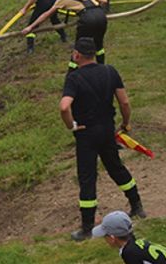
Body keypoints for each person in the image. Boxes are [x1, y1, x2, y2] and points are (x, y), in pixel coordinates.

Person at [61, 38, 145, 241]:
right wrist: (125, 124)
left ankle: (87, 227)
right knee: (116, 167)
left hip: (86, 134)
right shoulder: (110, 71)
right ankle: (137, 205)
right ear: (96, 54)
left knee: (87, 177)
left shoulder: (74, 78)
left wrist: (71, 125)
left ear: (76, 55)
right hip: (107, 129)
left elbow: (64, 107)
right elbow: (124, 102)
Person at [24, 0, 109, 65]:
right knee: (99, 45)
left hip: (86, 18)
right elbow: (103, 1)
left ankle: (72, 73)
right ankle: (102, 67)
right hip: (101, 15)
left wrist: (31, 27)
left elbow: (46, 14)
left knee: (78, 51)